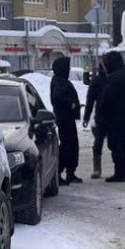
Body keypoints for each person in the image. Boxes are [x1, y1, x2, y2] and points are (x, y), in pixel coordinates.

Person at [98, 51, 125, 183]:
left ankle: (120, 172)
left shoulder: (113, 78)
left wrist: (102, 114)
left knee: (115, 143)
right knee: (124, 142)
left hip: (115, 116)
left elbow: (108, 99)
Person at [49, 56, 83, 184]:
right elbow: (58, 97)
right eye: (67, 67)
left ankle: (70, 173)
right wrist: (71, 104)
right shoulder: (60, 82)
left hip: (66, 118)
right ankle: (59, 172)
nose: (69, 70)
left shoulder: (59, 80)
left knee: (71, 145)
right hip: (65, 118)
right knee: (68, 146)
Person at [83, 63, 107, 179]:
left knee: (117, 143)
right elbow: (90, 100)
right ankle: (97, 169)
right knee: (98, 143)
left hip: (111, 115)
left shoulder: (115, 79)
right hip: (102, 116)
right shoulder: (97, 81)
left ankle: (122, 167)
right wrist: (86, 117)